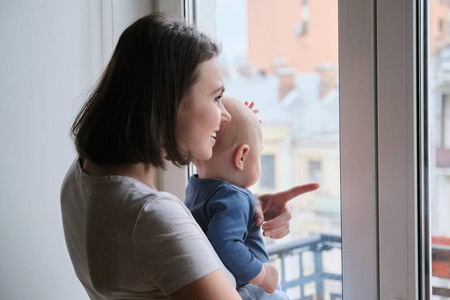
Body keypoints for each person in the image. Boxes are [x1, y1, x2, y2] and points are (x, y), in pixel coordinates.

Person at [60, 13, 319, 299]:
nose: (225, 115)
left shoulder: (81, 175)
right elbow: (161, 234)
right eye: (216, 97)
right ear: (169, 103)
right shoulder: (151, 217)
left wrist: (240, 204)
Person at [185, 97, 290, 300]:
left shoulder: (196, 186)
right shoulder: (235, 197)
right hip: (248, 288)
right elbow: (225, 244)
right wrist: (263, 275)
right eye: (258, 155)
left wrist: (245, 126)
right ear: (241, 156)